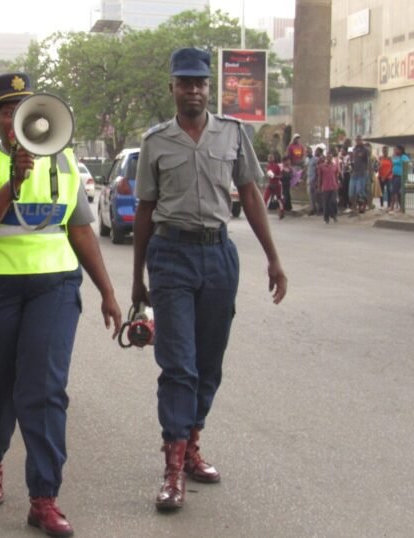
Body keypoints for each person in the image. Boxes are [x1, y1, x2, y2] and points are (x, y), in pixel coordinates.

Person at [0, 72, 121, 537]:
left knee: (44, 390)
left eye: (25, 109)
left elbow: (81, 228)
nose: (18, 119)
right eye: (7, 111)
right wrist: (12, 182)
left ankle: (44, 498)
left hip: (54, 286)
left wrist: (107, 291)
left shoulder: (65, 162)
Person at [130, 48, 287, 513]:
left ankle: (191, 442)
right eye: (185, 83)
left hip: (218, 255)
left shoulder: (233, 134)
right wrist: (137, 279)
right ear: (173, 88)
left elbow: (252, 196)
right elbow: (143, 209)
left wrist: (273, 259)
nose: (193, 90)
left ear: (208, 88)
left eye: (200, 83)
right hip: (171, 255)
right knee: (179, 364)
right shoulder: (156, 141)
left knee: (210, 362)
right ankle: (173, 469)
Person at [349, 135, 370, 214]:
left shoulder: (365, 150)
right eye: (357, 140)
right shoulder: (354, 149)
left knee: (360, 191)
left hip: (362, 173)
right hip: (354, 173)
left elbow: (368, 161)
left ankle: (363, 206)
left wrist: (366, 172)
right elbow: (352, 161)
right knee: (351, 192)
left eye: (359, 140)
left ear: (362, 140)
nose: (358, 141)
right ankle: (354, 207)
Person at [318, 150, 340, 223]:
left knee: (333, 202)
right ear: (326, 158)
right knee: (325, 204)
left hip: (333, 187)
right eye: (327, 157)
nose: (329, 158)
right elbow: (319, 177)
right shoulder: (321, 166)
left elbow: (336, 176)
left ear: (332, 157)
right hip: (325, 187)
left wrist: (338, 183)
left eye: (330, 157)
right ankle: (326, 218)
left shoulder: (335, 166)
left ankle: (334, 215)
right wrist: (319, 187)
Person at [389, 144, 409, 213]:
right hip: (394, 175)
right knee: (394, 191)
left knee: (397, 192)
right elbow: (392, 163)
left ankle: (398, 207)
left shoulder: (404, 157)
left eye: (396, 149)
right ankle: (393, 207)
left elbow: (407, 166)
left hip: (400, 176)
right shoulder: (396, 157)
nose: (395, 151)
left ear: (400, 150)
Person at [307, 146, 323, 215]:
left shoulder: (316, 159)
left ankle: (319, 208)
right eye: (307, 152)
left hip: (314, 179)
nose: (307, 153)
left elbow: (318, 170)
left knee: (317, 195)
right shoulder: (308, 159)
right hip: (309, 178)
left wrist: (317, 180)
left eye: (309, 151)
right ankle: (313, 208)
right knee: (311, 195)